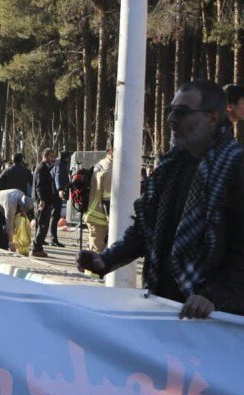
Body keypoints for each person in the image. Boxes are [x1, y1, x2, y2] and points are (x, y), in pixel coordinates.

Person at [78, 80, 244, 319]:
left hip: (216, 319)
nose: (171, 120)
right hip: (164, 308)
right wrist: (106, 260)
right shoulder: (170, 166)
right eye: (171, 111)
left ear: (213, 117)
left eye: (183, 112)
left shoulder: (235, 166)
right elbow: (145, 228)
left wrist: (214, 295)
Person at [85, 146, 113, 253]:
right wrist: (112, 223)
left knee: (94, 251)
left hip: (94, 214)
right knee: (97, 255)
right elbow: (108, 200)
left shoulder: (102, 163)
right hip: (99, 217)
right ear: (111, 150)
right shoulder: (108, 170)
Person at [32, 148, 57, 258]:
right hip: (42, 202)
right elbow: (39, 186)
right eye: (51, 156)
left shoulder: (43, 168)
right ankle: (36, 249)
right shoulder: (42, 168)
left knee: (40, 225)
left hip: (42, 201)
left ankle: (38, 248)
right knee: (43, 225)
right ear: (45, 156)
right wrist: (42, 200)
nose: (53, 158)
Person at [49, 150, 71, 247]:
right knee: (55, 216)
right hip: (55, 194)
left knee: (53, 216)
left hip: (52, 193)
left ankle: (52, 238)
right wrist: (60, 190)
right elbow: (58, 177)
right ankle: (53, 239)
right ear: (67, 158)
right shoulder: (61, 165)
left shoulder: (57, 163)